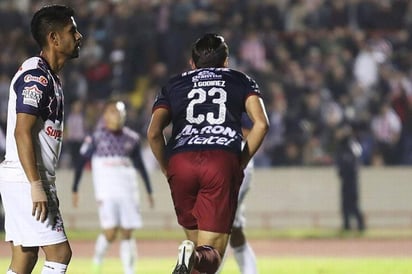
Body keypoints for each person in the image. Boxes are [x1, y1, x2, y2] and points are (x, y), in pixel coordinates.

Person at [147, 33, 269, 274]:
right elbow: (262, 124)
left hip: (181, 161)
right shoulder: (240, 79)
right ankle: (192, 254)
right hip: (220, 159)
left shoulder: (173, 84)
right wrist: (241, 161)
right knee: (210, 254)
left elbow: (153, 132)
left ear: (192, 63)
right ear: (226, 61)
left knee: (196, 254)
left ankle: (191, 253)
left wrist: (166, 166)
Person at [0, 5, 82, 274]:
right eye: (72, 31)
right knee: (60, 254)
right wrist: (36, 185)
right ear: (54, 38)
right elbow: (21, 131)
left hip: (25, 177)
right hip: (28, 178)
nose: (79, 36)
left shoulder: (51, 76)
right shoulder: (37, 76)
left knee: (24, 259)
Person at [72, 99, 154, 274]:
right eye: (112, 112)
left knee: (127, 233)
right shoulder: (96, 137)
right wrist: (74, 189)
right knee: (110, 232)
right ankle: (98, 259)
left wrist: (149, 190)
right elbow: (80, 162)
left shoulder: (132, 139)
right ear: (105, 116)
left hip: (128, 191)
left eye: (119, 112)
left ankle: (129, 271)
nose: (116, 115)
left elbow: (139, 166)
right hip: (107, 192)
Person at [335, 123, 365, 232]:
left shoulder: (352, 144)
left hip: (352, 179)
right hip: (345, 179)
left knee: (353, 203)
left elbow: (357, 158)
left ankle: (360, 225)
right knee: (345, 204)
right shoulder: (341, 146)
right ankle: (346, 225)